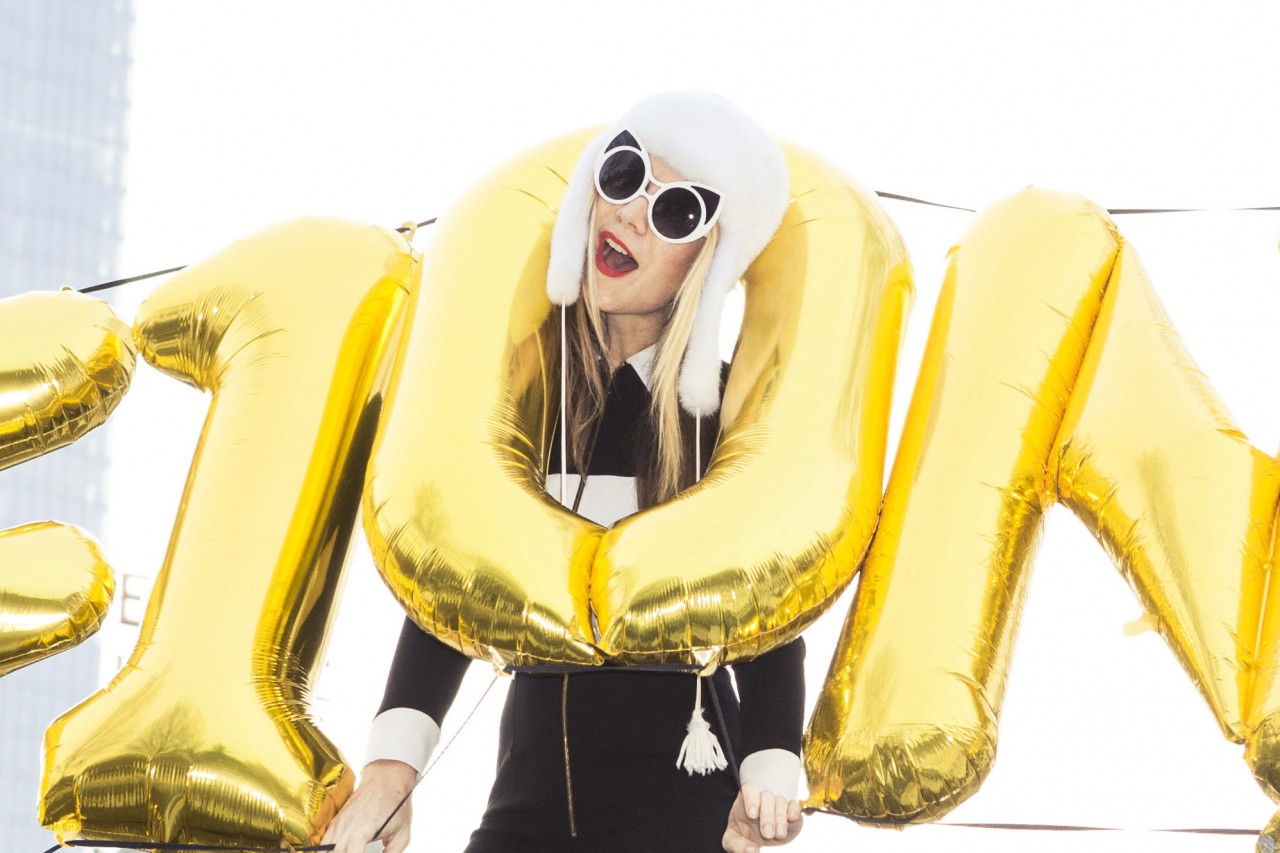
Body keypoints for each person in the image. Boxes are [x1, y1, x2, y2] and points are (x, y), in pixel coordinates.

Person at [324, 91, 805, 853]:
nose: (632, 215)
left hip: (687, 814)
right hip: (526, 810)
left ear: (708, 260)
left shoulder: (723, 420)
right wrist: (391, 771)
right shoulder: (520, 400)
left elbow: (770, 608)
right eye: (625, 176)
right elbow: (456, 585)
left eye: (676, 211)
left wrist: (770, 771)